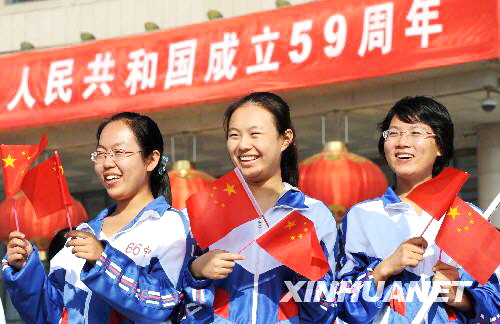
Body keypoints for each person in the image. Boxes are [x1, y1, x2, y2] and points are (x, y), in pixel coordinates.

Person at [3, 112, 192, 323]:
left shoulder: (169, 225)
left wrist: (103, 260)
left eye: (119, 152)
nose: (107, 163)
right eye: (101, 154)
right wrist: (25, 270)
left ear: (151, 160)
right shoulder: (84, 233)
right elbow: (51, 316)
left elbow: (165, 304)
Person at [182, 92, 347, 323]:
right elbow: (170, 297)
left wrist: (307, 271)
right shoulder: (204, 211)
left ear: (285, 139)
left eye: (255, 134)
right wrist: (196, 271)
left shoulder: (311, 213)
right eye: (234, 135)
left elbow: (326, 310)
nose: (243, 145)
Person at [338, 96, 500, 323]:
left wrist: (459, 297)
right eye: (393, 133)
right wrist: (384, 269)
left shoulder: (469, 218)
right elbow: (336, 302)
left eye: (415, 133)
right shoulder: (361, 217)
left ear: (441, 146)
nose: (402, 142)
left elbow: (496, 303)